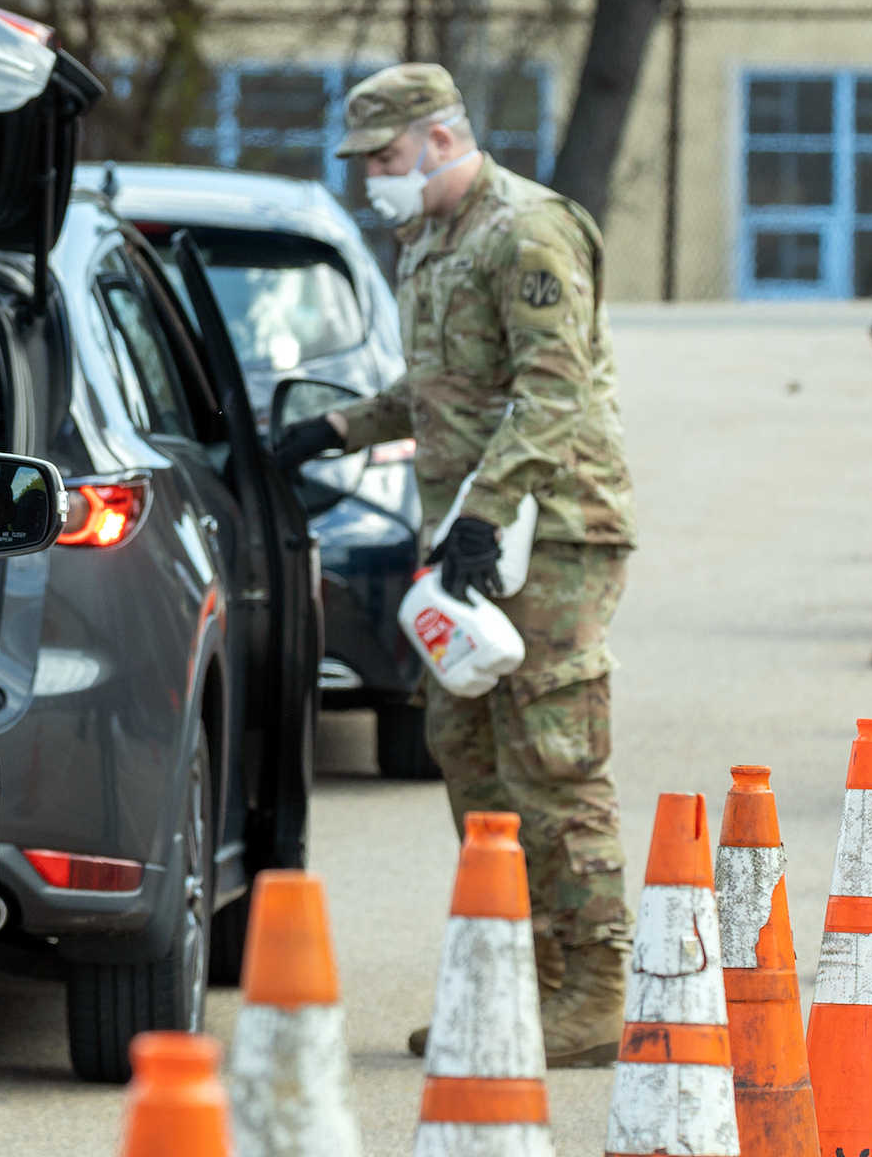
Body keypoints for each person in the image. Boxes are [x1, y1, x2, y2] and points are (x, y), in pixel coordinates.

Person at [269, 64, 636, 1065]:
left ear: (441, 138)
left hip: (550, 526)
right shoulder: (431, 236)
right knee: (469, 753)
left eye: (386, 158)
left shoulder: (528, 230)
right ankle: (515, 978)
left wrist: (490, 508)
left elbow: (552, 392)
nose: (374, 180)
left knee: (551, 754)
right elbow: (445, 384)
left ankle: (596, 985)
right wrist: (339, 426)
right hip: (471, 535)